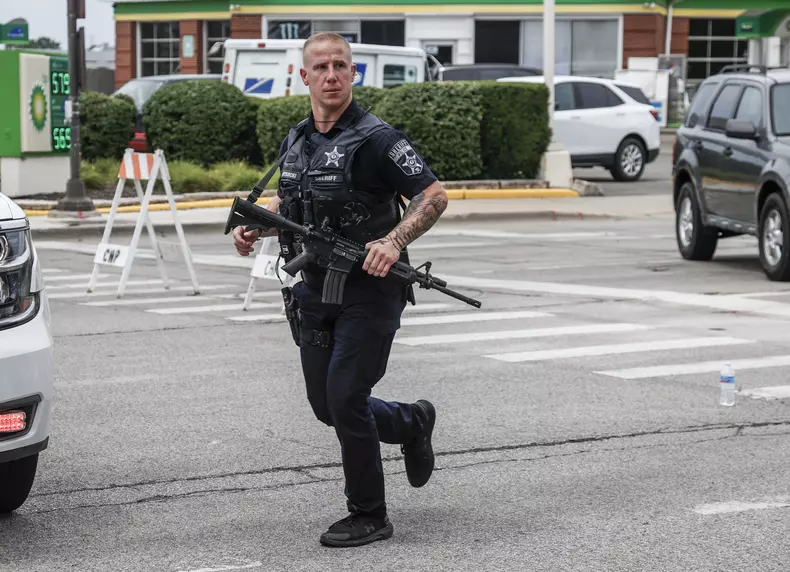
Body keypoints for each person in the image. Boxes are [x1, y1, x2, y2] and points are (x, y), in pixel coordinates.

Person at [232, 32, 449, 548]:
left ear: (354, 74)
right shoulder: (296, 141)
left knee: (346, 396)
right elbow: (295, 205)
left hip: (370, 290)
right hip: (314, 290)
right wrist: (258, 228)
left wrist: (394, 240)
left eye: (340, 66)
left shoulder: (378, 139)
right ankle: (413, 422)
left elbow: (434, 197)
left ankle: (369, 513)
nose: (331, 75)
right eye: (321, 67)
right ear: (303, 77)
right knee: (327, 406)